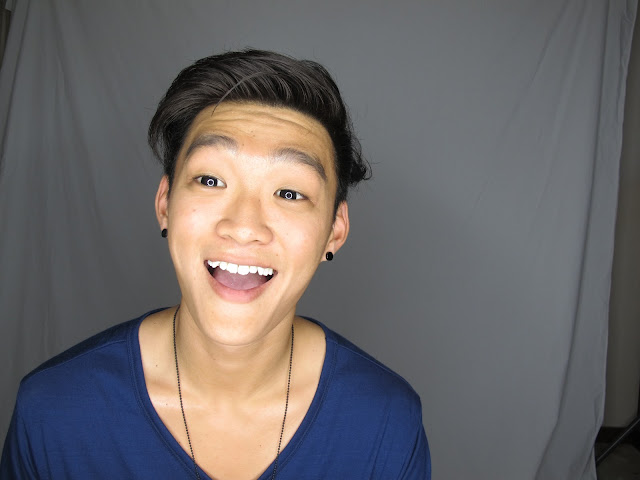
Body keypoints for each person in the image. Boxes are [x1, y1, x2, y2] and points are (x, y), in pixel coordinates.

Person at [1, 49, 430, 479]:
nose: (243, 227)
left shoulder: (386, 423)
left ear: (334, 231)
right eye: (210, 180)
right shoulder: (53, 411)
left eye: (289, 193)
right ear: (165, 204)